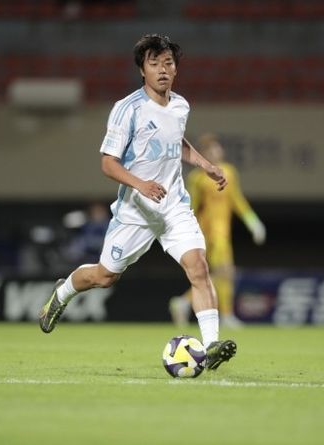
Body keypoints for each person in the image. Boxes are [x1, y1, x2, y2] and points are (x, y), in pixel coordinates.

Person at [39, 34, 236, 370]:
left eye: (168, 63)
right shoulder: (127, 109)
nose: (163, 69)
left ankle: (210, 346)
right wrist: (141, 185)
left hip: (173, 206)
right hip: (136, 211)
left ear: (176, 69)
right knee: (104, 277)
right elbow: (108, 163)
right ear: (142, 70)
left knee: (199, 267)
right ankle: (63, 292)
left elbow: (177, 141)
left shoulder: (181, 105)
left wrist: (204, 164)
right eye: (154, 63)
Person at [169, 133, 266, 328]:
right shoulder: (197, 178)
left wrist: (253, 221)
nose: (215, 151)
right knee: (225, 272)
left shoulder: (229, 171)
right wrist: (185, 230)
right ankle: (224, 314)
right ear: (202, 154)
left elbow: (237, 200)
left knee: (222, 273)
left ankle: (185, 303)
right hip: (208, 232)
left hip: (223, 232)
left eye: (217, 147)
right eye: (210, 149)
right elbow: (192, 205)